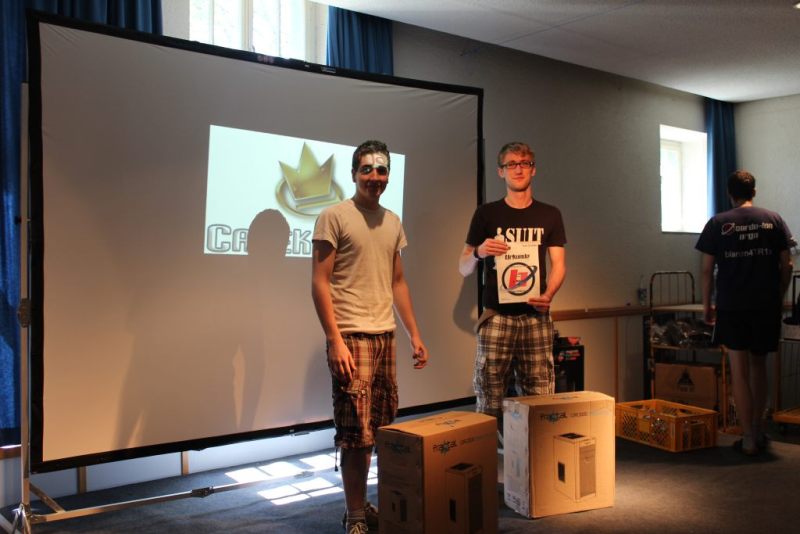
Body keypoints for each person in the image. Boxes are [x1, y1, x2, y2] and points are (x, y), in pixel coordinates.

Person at [311, 139, 429, 533]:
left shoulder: (392, 221)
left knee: (378, 428)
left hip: (385, 336)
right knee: (355, 434)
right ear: (353, 173)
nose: (375, 177)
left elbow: (398, 282)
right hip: (352, 336)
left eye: (381, 170)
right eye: (367, 169)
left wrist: (414, 334)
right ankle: (356, 516)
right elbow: (320, 281)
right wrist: (334, 339)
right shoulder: (333, 216)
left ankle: (363, 505)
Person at [458, 141, 566, 433]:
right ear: (500, 171)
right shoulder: (486, 214)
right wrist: (479, 251)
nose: (518, 169)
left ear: (533, 169)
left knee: (540, 397)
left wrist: (548, 294)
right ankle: (487, 458)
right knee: (489, 397)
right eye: (511, 164)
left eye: (524, 163)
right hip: (497, 317)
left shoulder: (550, 214)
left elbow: (559, 265)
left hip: (535, 317)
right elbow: (463, 266)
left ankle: (534, 457)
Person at [696, 170, 794, 456]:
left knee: (738, 370)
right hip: (765, 304)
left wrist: (707, 304)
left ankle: (748, 438)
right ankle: (760, 430)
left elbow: (706, 270)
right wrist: (779, 294)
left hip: (732, 304)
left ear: (730, 193)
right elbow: (787, 264)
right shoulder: (773, 220)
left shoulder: (718, 223)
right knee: (759, 367)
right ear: (754, 192)